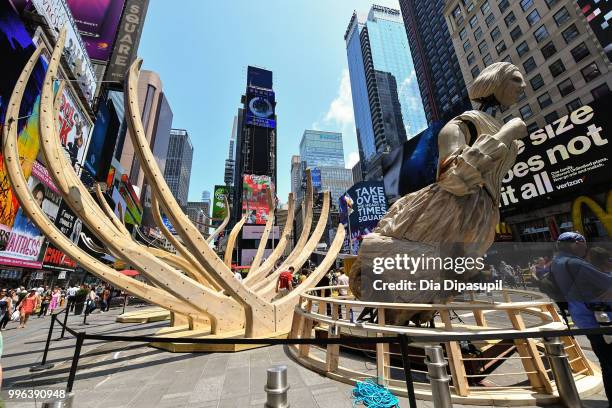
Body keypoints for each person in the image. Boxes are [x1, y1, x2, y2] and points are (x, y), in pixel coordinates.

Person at [550, 232, 611, 402]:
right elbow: (607, 282)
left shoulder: (557, 263)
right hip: (599, 319)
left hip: (583, 318)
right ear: (576, 243)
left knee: (606, 362)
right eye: (583, 242)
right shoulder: (576, 263)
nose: (585, 246)